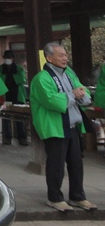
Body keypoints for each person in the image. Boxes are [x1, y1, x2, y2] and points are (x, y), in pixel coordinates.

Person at [30, 42, 96, 212]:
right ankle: (55, 198)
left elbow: (84, 91)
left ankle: (77, 196)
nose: (65, 58)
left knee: (76, 164)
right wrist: (73, 94)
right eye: (61, 55)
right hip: (54, 127)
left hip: (72, 126)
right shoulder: (41, 78)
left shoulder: (69, 74)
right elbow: (52, 101)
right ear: (49, 58)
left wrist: (80, 95)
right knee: (56, 164)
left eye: (65, 55)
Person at [0, 50, 29, 146]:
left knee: (20, 117)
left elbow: (22, 79)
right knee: (5, 117)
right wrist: (11, 77)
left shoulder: (19, 68)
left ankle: (22, 137)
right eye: (6, 57)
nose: (8, 59)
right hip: (5, 96)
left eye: (9, 57)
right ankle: (7, 137)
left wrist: (9, 77)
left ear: (13, 58)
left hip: (17, 95)